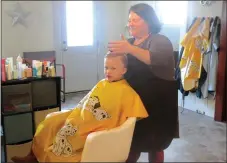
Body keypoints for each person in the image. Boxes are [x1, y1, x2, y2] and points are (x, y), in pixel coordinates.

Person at [11, 53, 149, 162]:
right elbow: (86, 102)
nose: (108, 71)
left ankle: (45, 157)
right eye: (106, 67)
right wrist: (75, 115)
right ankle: (33, 155)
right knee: (49, 122)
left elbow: (128, 118)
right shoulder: (102, 83)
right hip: (79, 116)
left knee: (65, 137)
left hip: (93, 127)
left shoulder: (127, 92)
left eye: (113, 68)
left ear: (124, 70)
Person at [108, 3, 179, 162]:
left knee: (155, 144)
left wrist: (129, 49)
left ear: (148, 21)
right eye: (129, 20)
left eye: (135, 19)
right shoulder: (131, 42)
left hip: (158, 105)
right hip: (134, 104)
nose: (130, 23)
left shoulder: (160, 40)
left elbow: (153, 59)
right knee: (131, 145)